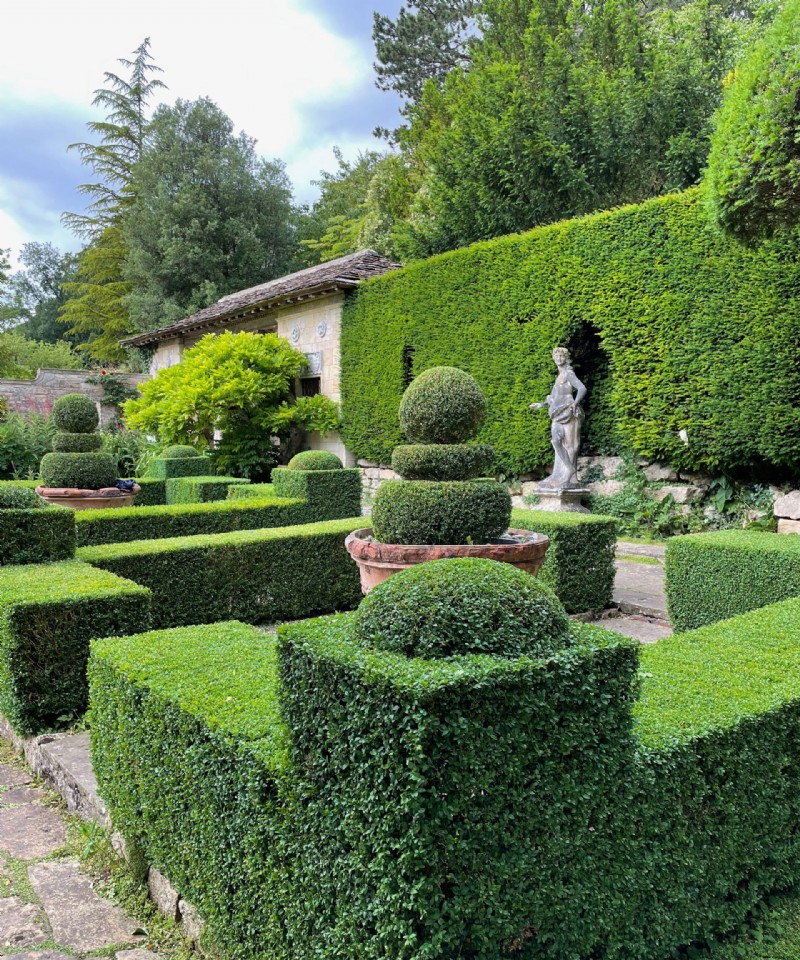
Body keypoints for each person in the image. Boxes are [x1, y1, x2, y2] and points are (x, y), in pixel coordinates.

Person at [529, 347, 586, 490]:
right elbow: (553, 398)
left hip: (569, 412)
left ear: (566, 358)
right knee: (556, 441)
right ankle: (563, 472)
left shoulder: (568, 373)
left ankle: (569, 477)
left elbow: (582, 388)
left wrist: (575, 403)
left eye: (562, 357)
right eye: (557, 356)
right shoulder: (559, 376)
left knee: (571, 446)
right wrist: (541, 404)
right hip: (557, 413)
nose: (559, 359)